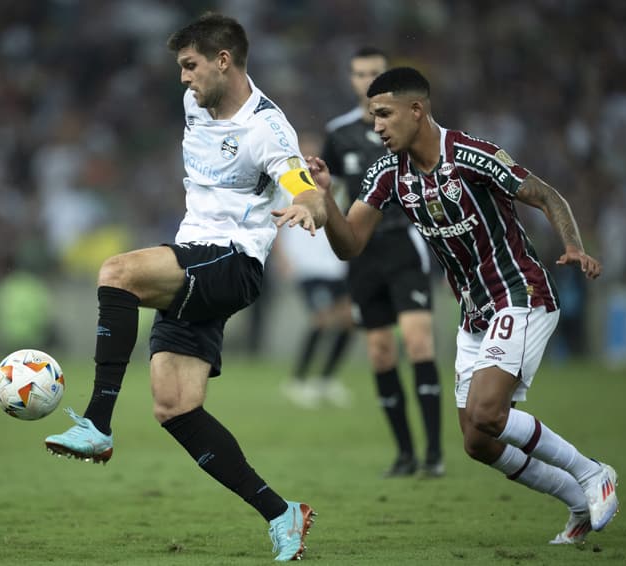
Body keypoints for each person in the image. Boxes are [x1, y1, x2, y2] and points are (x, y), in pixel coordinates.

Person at [44, 13, 324, 562]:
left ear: (224, 61)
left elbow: (300, 183)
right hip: (197, 257)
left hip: (232, 262)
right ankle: (281, 513)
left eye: (190, 65)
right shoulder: (196, 103)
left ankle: (97, 421)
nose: (183, 79)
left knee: (117, 273)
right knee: (176, 407)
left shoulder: (267, 128)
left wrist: (310, 202)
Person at [306, 66, 619, 545]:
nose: (378, 128)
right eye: (373, 117)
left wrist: (572, 245)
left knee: (488, 412)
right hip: (474, 313)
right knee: (478, 441)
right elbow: (350, 245)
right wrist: (327, 201)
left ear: (417, 110)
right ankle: (576, 502)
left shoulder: (473, 155)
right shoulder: (388, 172)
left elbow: (546, 195)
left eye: (385, 115)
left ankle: (594, 472)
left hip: (521, 293)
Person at [321, 48, 443, 476]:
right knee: (379, 351)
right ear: (352, 80)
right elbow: (331, 192)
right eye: (359, 73)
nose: (365, 78)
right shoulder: (338, 134)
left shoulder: (408, 127)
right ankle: (405, 453)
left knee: (419, 343)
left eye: (374, 72)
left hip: (401, 243)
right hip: (363, 254)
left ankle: (434, 455)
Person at [276, 146, 354, 408]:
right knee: (321, 319)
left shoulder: (330, 185)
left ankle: (325, 380)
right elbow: (274, 220)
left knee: (348, 319)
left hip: (334, 265)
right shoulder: (287, 184)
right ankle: (297, 381)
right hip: (306, 266)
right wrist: (282, 258)